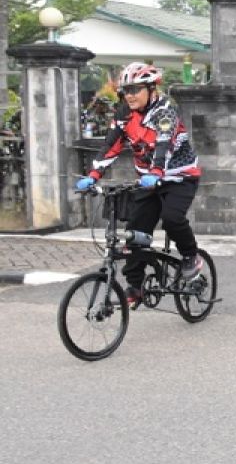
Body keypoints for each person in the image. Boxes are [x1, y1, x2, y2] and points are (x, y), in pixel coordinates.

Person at [75, 62, 204, 308]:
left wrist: (156, 171)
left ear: (151, 89)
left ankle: (190, 257)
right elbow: (110, 146)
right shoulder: (124, 114)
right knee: (135, 233)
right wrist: (93, 175)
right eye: (125, 91)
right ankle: (135, 286)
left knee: (172, 218)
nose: (129, 96)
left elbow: (164, 145)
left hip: (179, 177)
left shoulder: (165, 111)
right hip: (149, 180)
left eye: (135, 89)